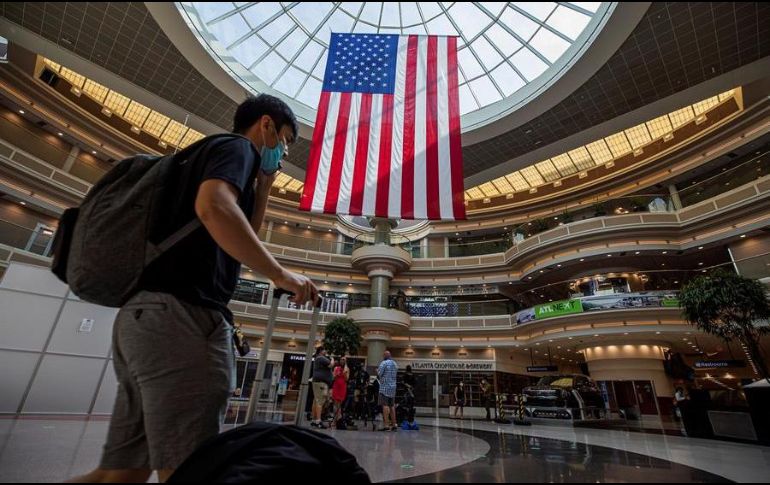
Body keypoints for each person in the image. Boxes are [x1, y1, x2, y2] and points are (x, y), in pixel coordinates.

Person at [70, 94, 319, 484]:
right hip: (182, 319)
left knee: (119, 475)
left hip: (144, 318)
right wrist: (281, 275)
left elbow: (237, 236)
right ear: (266, 125)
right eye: (285, 140)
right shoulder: (238, 148)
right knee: (189, 471)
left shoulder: (202, 157)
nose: (285, 153)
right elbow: (214, 208)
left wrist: (264, 187)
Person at [311, 347, 334, 429]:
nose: (326, 351)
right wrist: (332, 359)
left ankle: (314, 420)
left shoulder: (318, 358)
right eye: (324, 350)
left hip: (318, 382)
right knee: (320, 401)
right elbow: (331, 365)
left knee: (316, 401)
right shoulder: (321, 358)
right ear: (321, 351)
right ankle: (318, 421)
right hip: (321, 383)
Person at [377, 351, 399, 432]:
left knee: (385, 405)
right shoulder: (395, 364)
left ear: (385, 356)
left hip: (384, 388)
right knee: (392, 406)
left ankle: (386, 425)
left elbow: (379, 374)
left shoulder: (384, 363)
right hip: (393, 388)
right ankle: (394, 425)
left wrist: (377, 371)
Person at [331, 357, 349, 428]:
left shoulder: (347, 369)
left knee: (339, 404)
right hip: (336, 386)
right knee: (336, 404)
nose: (342, 361)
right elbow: (333, 377)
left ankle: (336, 421)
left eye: (344, 360)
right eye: (341, 359)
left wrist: (344, 373)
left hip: (342, 387)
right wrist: (336, 374)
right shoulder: (336, 368)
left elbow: (347, 379)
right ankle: (336, 420)